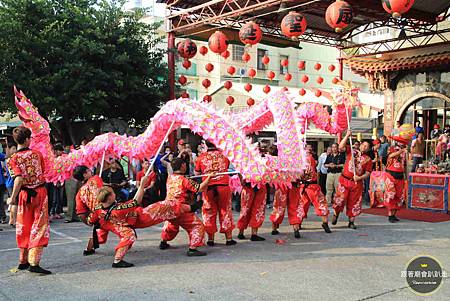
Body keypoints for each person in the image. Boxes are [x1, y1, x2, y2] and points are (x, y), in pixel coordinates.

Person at [6, 126, 51, 274]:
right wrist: (11, 198)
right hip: (40, 193)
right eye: (30, 138)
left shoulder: (12, 159)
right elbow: (21, 178)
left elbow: (18, 179)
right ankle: (33, 262)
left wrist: (13, 198)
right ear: (26, 139)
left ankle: (23, 261)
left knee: (24, 226)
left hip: (24, 196)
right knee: (39, 226)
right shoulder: (37, 154)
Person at [159, 158, 215, 256]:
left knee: (171, 225)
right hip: (181, 209)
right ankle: (193, 248)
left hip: (168, 208)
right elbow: (200, 188)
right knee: (197, 226)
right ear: (183, 165)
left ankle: (163, 241)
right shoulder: (184, 180)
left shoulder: (170, 177)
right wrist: (209, 177)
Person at [195, 140, 236, 246]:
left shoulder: (201, 157)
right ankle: (229, 239)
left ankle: (211, 239)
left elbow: (197, 173)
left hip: (208, 187)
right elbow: (227, 167)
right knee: (225, 210)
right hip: (223, 186)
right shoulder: (224, 156)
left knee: (209, 212)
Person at [332, 130, 373, 229]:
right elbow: (340, 147)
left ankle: (351, 221)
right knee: (340, 199)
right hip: (344, 180)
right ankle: (336, 214)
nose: (364, 147)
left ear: (368, 149)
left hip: (356, 183)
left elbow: (368, 173)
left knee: (354, 202)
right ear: (361, 144)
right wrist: (347, 135)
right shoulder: (352, 150)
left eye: (367, 147)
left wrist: (360, 177)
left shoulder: (368, 159)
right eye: (364, 145)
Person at [73, 165, 107, 256]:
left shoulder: (80, 191)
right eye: (88, 170)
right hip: (106, 211)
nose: (91, 171)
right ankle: (118, 259)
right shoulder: (96, 178)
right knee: (127, 232)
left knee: (101, 231)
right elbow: (102, 196)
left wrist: (89, 221)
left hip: (95, 216)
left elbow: (80, 212)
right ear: (84, 174)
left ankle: (89, 248)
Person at [298, 145, 331, 233]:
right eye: (307, 148)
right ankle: (325, 222)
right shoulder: (308, 158)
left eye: (310, 148)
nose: (309, 149)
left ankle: (298, 224)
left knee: (302, 205)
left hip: (304, 186)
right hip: (310, 186)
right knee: (321, 203)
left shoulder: (302, 159)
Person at [384, 137, 408, 223]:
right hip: (390, 175)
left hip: (400, 176)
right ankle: (390, 215)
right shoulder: (392, 148)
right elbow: (390, 156)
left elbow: (404, 164)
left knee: (399, 195)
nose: (402, 143)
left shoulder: (405, 152)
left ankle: (394, 214)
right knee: (391, 195)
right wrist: (400, 151)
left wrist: (406, 175)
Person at [48, 144, 65, 220]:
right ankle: (52, 212)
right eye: (60, 151)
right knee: (54, 198)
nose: (61, 152)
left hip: (60, 180)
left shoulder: (62, 159)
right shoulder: (52, 159)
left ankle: (56, 212)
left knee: (59, 198)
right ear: (56, 151)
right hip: (53, 181)